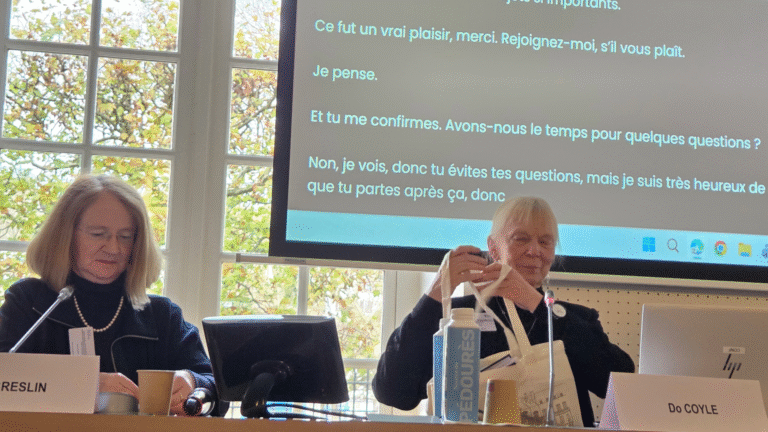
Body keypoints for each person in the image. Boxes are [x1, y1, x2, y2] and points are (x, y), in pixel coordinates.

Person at [372, 196, 634, 427]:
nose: (535, 251)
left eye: (545, 242)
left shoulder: (573, 319)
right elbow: (392, 392)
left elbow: (622, 386)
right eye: (521, 239)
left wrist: (537, 305)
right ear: (494, 248)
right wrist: (435, 294)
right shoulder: (459, 319)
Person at [0, 174, 224, 416]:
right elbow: (5, 375)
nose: (114, 248)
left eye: (125, 237)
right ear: (66, 235)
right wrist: (85, 384)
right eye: (98, 234)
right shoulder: (29, 302)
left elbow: (220, 390)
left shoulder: (162, 316)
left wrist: (193, 382)